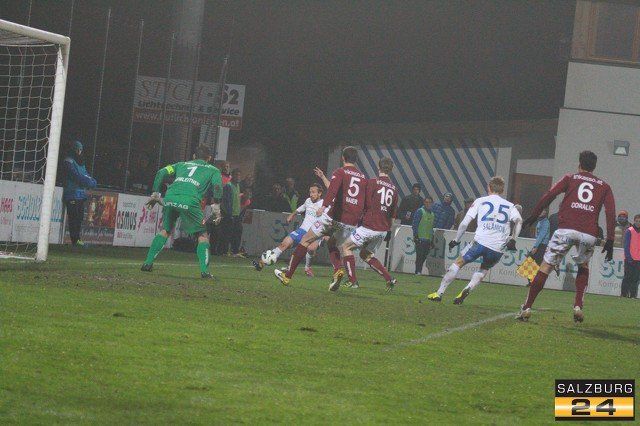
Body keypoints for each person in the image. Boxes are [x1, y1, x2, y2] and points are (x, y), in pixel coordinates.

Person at [517, 151, 616, 323]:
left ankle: (527, 307)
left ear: (579, 164)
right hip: (588, 233)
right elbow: (610, 212)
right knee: (583, 266)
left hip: (565, 230)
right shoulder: (604, 186)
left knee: (546, 267)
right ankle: (578, 306)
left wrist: (534, 215)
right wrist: (611, 239)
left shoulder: (570, 178)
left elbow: (549, 195)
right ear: (594, 167)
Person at [275, 146, 367, 287]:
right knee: (332, 243)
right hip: (350, 221)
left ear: (343, 157)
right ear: (356, 159)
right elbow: (363, 200)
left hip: (333, 217)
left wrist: (323, 207)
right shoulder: (363, 178)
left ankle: (287, 276)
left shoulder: (340, 172)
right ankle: (338, 270)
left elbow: (332, 191)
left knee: (305, 240)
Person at [427, 176, 521, 304]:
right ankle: (468, 288)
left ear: (489, 187)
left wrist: (456, 239)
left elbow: (464, 223)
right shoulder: (510, 206)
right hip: (497, 247)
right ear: (502, 190)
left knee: (458, 263)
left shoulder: (480, 201)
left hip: (480, 242)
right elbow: (519, 221)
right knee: (484, 269)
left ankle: (439, 293)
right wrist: (513, 239)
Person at [141, 145, 223, 279]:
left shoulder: (180, 165)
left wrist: (155, 194)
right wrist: (216, 208)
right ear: (209, 158)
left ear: (194, 156)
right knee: (202, 235)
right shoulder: (213, 170)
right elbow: (217, 187)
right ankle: (204, 272)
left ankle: (147, 263)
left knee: (165, 230)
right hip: (190, 201)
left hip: (170, 198)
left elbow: (161, 172)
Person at [337, 157, 398, 291]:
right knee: (365, 255)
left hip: (369, 226)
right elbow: (393, 215)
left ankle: (352, 281)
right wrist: (388, 230)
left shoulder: (373, 182)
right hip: (383, 230)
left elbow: (364, 203)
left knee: (345, 247)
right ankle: (389, 279)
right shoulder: (394, 189)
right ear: (391, 169)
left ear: (378, 167)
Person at [253, 183, 325, 275]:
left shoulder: (324, 204)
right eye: (310, 192)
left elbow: (329, 218)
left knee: (311, 249)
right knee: (284, 243)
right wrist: (292, 215)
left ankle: (307, 267)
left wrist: (326, 233)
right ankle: (261, 263)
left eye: (313, 192)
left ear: (320, 193)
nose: (311, 194)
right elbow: (301, 208)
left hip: (315, 233)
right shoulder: (308, 201)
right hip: (302, 230)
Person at [62, 141, 97, 246]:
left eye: (80, 149)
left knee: (79, 217)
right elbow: (75, 175)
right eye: (77, 149)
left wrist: (91, 181)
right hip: (71, 193)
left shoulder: (81, 162)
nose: (79, 151)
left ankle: (77, 240)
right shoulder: (68, 161)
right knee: (73, 217)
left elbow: (85, 174)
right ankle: (74, 240)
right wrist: (88, 181)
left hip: (81, 194)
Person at [221, 168, 243, 257]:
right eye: (236, 175)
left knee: (237, 233)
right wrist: (229, 213)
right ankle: (224, 251)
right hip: (229, 214)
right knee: (227, 233)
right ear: (232, 176)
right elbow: (226, 201)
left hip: (237, 214)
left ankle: (235, 251)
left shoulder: (238, 186)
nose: (238, 177)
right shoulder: (228, 186)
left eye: (239, 175)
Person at [412, 196, 435, 275]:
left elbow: (431, 228)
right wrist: (416, 236)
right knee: (419, 256)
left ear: (432, 204)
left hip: (428, 239)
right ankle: (418, 271)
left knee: (424, 256)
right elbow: (415, 224)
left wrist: (432, 239)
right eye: (426, 202)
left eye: (429, 202)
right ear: (424, 203)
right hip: (420, 238)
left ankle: (419, 270)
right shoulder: (420, 211)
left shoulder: (432, 214)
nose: (428, 204)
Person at [621, 214, 640, 298]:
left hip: (638, 259)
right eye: (636, 221)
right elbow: (626, 245)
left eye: (639, 221)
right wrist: (628, 257)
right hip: (629, 259)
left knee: (636, 278)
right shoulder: (629, 230)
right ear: (634, 221)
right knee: (627, 277)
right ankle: (624, 294)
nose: (638, 223)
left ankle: (633, 295)